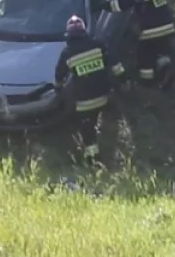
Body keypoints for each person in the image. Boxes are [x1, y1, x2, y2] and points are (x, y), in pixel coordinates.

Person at [54, 15, 131, 163]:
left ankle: (92, 158)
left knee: (87, 131)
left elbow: (59, 76)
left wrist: (58, 90)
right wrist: (124, 81)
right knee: (111, 120)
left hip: (84, 103)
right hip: (104, 96)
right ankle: (116, 150)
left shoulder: (67, 53)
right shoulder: (98, 45)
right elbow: (115, 65)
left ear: (68, 34)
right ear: (84, 30)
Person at [108, 0, 175, 90]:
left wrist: (104, 6)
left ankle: (147, 83)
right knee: (161, 51)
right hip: (168, 27)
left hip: (151, 30)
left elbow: (122, 5)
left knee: (145, 56)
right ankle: (166, 71)